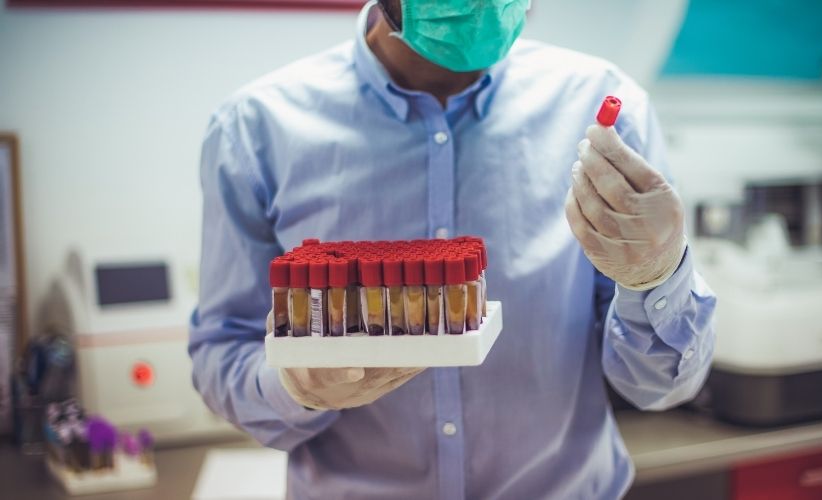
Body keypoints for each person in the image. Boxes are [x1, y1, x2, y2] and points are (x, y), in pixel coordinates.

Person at [189, 1, 716, 498]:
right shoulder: (255, 131)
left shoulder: (603, 110)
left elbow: (661, 387)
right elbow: (221, 354)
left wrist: (656, 277)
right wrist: (294, 386)